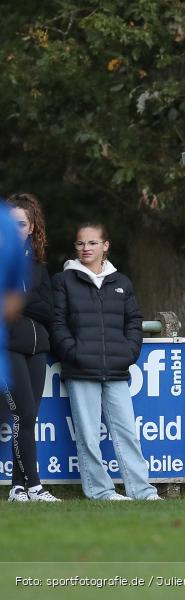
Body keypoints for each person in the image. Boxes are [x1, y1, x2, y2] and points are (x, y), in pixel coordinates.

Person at [50, 223, 160, 500]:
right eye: (80, 244)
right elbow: (57, 324)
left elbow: (134, 321)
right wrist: (73, 353)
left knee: (127, 434)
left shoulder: (121, 282)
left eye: (92, 243)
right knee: (88, 437)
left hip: (117, 370)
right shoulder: (63, 281)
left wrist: (129, 352)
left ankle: (142, 491)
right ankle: (100, 492)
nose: (85, 248)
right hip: (80, 370)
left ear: (105, 245)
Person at [4, 193, 58, 502]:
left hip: (38, 350)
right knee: (23, 415)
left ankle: (18, 488)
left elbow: (48, 310)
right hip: (8, 349)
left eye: (21, 224)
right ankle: (33, 486)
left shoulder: (38, 265)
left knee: (28, 418)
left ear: (32, 227)